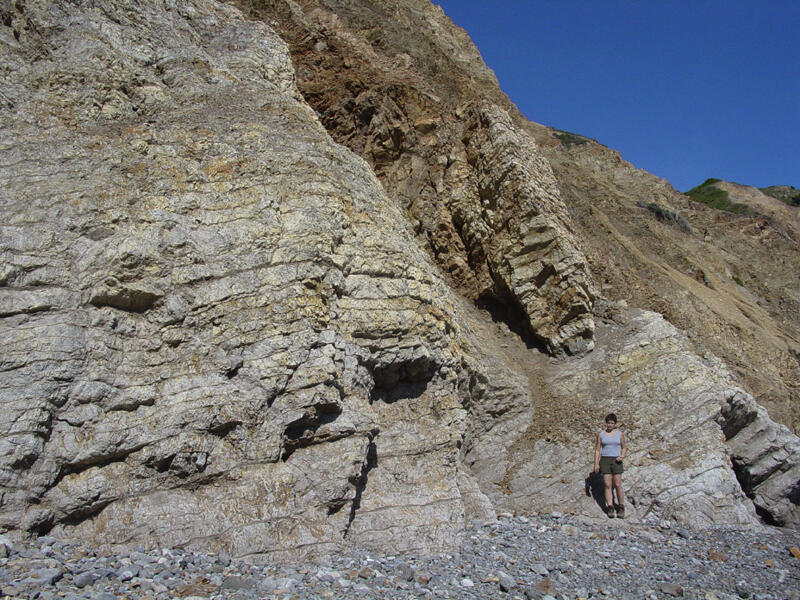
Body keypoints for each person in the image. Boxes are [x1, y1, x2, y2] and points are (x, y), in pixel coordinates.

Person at [593, 413, 626, 518]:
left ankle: (621, 506)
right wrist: (596, 464)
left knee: (617, 484)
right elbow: (597, 450)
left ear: (615, 424)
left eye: (612, 423)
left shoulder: (619, 434)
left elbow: (624, 447)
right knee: (607, 484)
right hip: (605, 460)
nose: (610, 425)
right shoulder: (601, 434)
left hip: (616, 460)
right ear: (606, 423)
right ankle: (610, 507)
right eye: (608, 423)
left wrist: (622, 456)